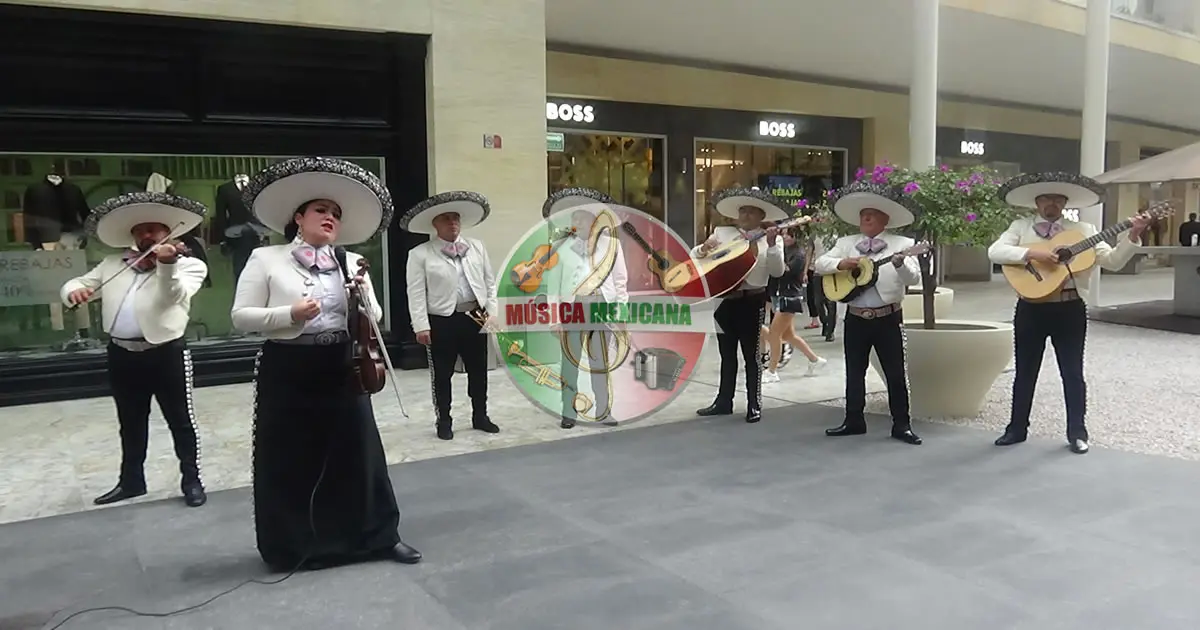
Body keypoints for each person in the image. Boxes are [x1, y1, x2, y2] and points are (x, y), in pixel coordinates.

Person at [231, 157, 420, 571]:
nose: (330, 218)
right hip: (290, 365)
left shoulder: (351, 262)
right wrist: (289, 314)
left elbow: (377, 317)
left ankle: (379, 537)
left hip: (343, 362)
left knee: (360, 450)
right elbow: (240, 316)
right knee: (291, 455)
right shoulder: (267, 260)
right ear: (299, 217)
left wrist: (362, 296)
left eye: (335, 213)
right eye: (321, 210)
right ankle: (294, 546)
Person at [60, 192, 210, 507]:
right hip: (121, 353)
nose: (147, 235)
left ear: (169, 233)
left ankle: (192, 480)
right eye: (141, 230)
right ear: (133, 236)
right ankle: (131, 482)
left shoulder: (190, 265)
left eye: (154, 230)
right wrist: (74, 292)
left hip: (166, 352)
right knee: (130, 421)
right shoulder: (113, 263)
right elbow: (75, 283)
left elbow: (173, 297)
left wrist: (166, 265)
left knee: (181, 421)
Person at [988, 172, 1149, 454]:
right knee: (1025, 372)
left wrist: (1132, 235)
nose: (1052, 203)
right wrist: (1033, 255)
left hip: (1070, 307)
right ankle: (1016, 429)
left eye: (1058, 199)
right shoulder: (1020, 226)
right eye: (1046, 199)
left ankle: (1077, 432)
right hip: (1031, 307)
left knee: (1072, 372)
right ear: (1036, 202)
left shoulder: (1083, 231)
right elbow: (996, 251)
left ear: (1065, 203)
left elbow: (1111, 262)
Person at [815, 180, 923, 445]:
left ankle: (901, 424)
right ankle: (853, 420)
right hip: (855, 316)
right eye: (863, 215)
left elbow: (913, 279)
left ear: (885, 220)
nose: (866, 218)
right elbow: (819, 264)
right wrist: (842, 263)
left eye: (872, 214)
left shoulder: (903, 243)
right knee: (854, 371)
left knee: (895, 373)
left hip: (888, 317)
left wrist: (899, 265)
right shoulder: (846, 242)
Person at [402, 191, 500, 440]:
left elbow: (490, 283)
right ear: (435, 224)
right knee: (442, 373)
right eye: (446, 218)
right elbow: (415, 293)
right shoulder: (420, 253)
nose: (452, 223)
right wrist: (420, 325)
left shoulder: (477, 247)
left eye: (455, 218)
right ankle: (444, 419)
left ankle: (481, 415)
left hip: (475, 315)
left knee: (479, 369)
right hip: (442, 319)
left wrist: (492, 312)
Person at [694, 187, 786, 424]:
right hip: (726, 299)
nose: (745, 216)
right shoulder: (723, 233)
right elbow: (699, 258)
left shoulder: (769, 238)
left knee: (751, 354)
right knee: (726, 354)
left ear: (760, 216)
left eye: (751, 212)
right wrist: (704, 248)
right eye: (742, 211)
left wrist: (774, 245)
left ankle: (754, 403)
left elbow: (777, 271)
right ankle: (724, 401)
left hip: (752, 299)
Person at [543, 187, 628, 429]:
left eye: (582, 217)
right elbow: (553, 288)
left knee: (600, 363)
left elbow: (621, 281)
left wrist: (621, 312)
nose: (577, 222)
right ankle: (568, 411)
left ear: (594, 220)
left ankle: (604, 410)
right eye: (574, 218)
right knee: (569, 363)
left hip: (601, 306)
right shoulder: (561, 247)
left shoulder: (612, 244)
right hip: (573, 308)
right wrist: (554, 319)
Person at [763, 229, 827, 383]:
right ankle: (815, 360)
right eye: (783, 234)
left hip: (790, 297)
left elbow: (784, 272)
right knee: (788, 336)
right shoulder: (784, 250)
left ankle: (772, 371)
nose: (785, 237)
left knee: (774, 334)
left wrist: (776, 261)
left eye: (788, 235)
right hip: (782, 295)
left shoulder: (798, 254)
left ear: (795, 237)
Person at [804, 234, 838, 341]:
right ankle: (825, 322)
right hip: (817, 272)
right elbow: (809, 254)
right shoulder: (814, 235)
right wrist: (805, 272)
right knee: (818, 301)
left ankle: (830, 331)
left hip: (832, 272)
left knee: (831, 302)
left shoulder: (835, 234)